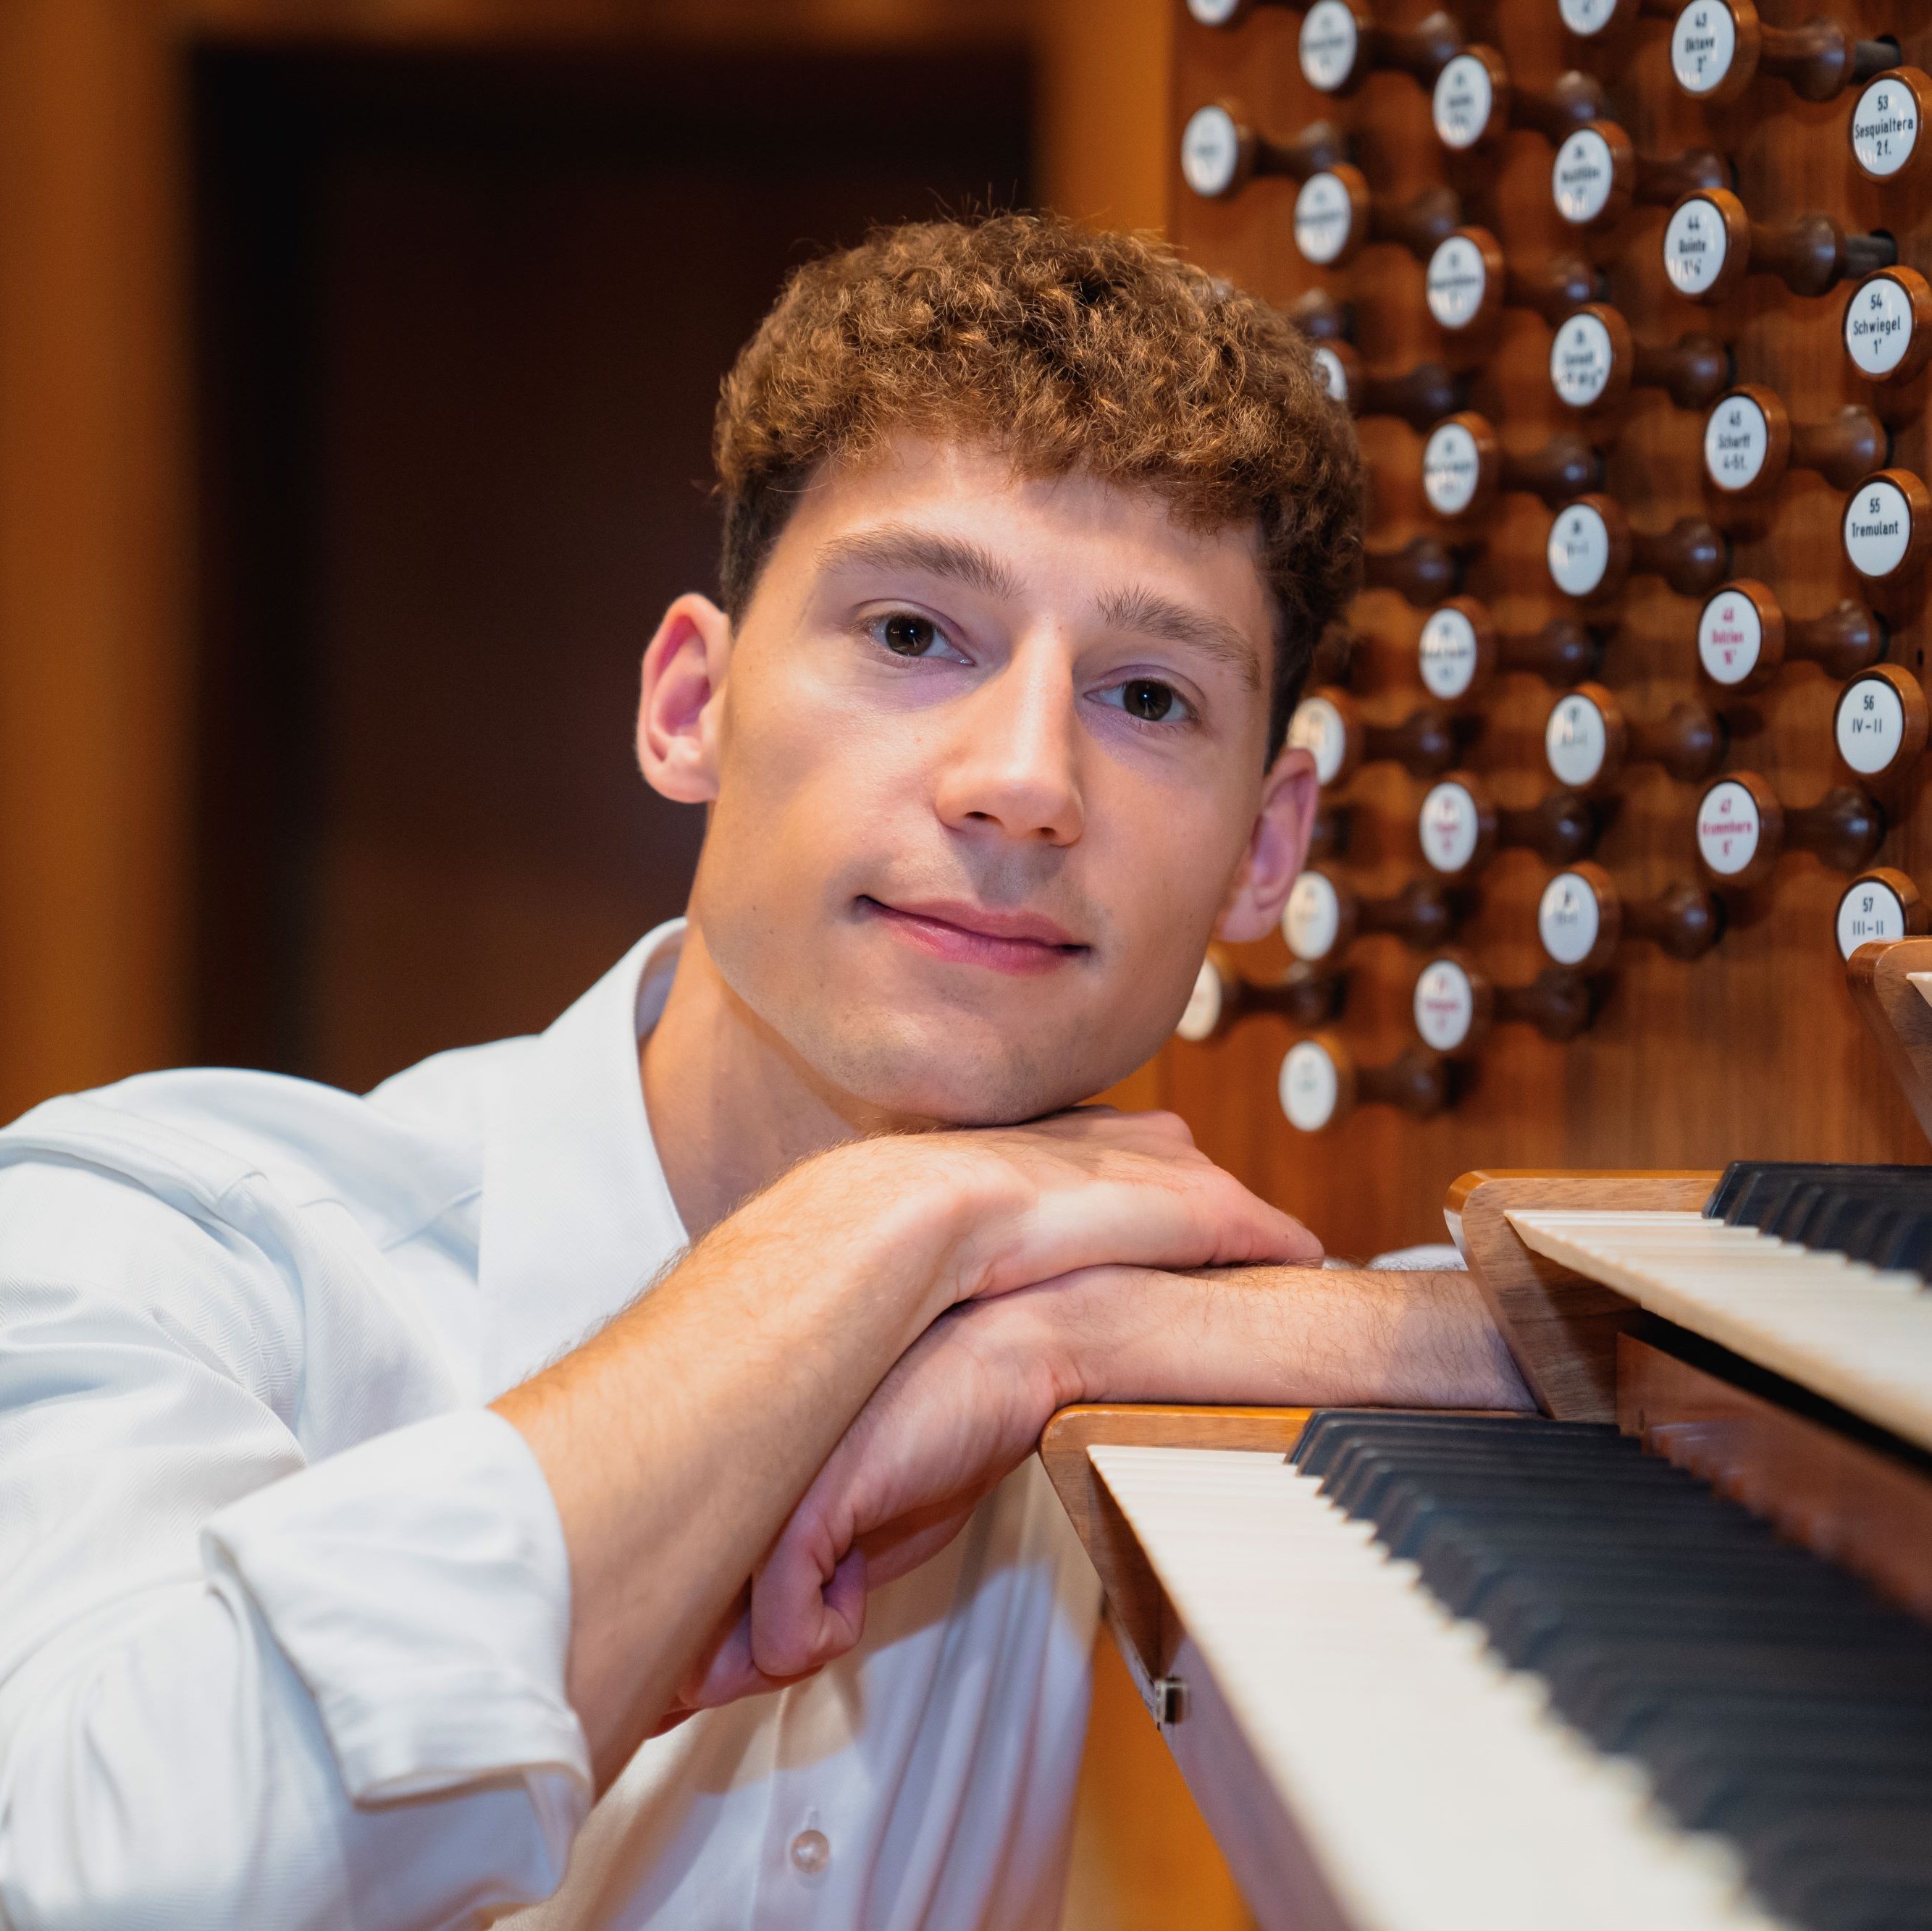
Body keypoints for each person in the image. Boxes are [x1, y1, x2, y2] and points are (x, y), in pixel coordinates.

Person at [0, 213, 1528, 1931]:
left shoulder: (1122, 1309)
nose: (1022, 779)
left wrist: (1088, 1322)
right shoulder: (160, 1236)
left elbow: (1728, 1394)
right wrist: (890, 1222)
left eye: (1148, 694)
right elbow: (90, 1879)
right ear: (688, 708)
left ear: (1263, 854)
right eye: (909, 633)